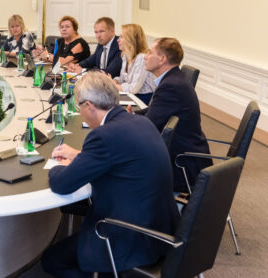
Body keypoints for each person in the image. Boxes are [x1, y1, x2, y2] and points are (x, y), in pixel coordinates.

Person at [42, 72, 178, 277]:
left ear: (89, 105)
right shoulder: (140, 121)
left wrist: (56, 165)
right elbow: (119, 158)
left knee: (52, 260)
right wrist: (79, 157)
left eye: (79, 106)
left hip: (129, 237)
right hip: (161, 230)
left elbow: (61, 184)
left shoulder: (103, 136)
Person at [135, 37, 211, 191]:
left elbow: (148, 127)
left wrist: (121, 121)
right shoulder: (173, 78)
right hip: (181, 154)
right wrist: (132, 115)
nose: (145, 56)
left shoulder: (171, 86)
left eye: (149, 52)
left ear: (162, 59)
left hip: (181, 166)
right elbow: (155, 110)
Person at [113, 24, 156, 104]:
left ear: (131, 40)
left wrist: (113, 86)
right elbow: (123, 79)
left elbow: (134, 88)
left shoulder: (142, 58)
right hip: (132, 95)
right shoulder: (125, 55)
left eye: (121, 37)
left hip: (144, 98)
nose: (118, 40)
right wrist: (115, 80)